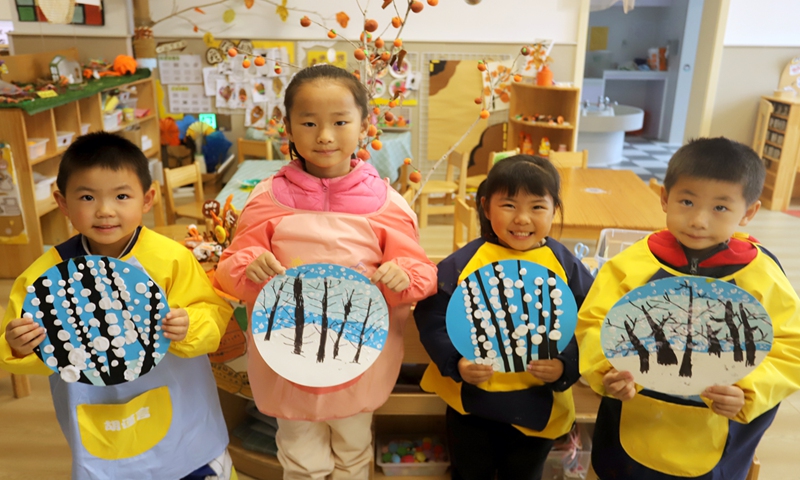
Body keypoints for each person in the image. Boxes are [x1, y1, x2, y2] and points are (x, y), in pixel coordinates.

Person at [213, 64, 437, 480]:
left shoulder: (386, 202)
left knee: (354, 449)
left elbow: (422, 274)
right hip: (288, 359)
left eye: (340, 122)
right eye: (309, 122)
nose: (325, 136)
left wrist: (402, 273)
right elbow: (228, 271)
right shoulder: (267, 199)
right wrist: (249, 265)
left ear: (365, 125)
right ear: (288, 127)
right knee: (299, 453)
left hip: (359, 356)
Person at [0, 132, 234, 480]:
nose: (105, 211)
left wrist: (191, 325)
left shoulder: (170, 259)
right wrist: (20, 346)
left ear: (147, 198)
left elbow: (214, 315)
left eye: (122, 195)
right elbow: (17, 349)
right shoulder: (43, 277)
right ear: (62, 203)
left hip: (185, 420)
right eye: (88, 197)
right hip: (98, 416)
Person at [576, 137, 800, 480]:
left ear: (749, 212)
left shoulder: (760, 275)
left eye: (720, 208)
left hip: (715, 434)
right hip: (634, 424)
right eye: (686, 201)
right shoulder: (634, 263)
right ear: (664, 199)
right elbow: (593, 322)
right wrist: (606, 370)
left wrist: (749, 391)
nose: (698, 220)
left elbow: (790, 348)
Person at [415, 155, 595, 480]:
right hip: (471, 402)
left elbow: (590, 321)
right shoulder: (464, 262)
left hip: (537, 402)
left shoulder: (564, 265)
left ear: (555, 209)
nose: (522, 219)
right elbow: (432, 315)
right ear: (486, 207)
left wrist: (565, 365)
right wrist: (456, 361)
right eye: (509, 205)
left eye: (537, 207)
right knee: (470, 472)